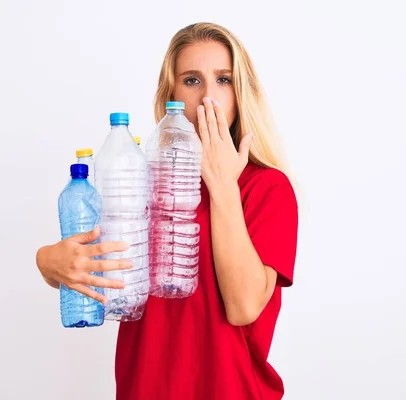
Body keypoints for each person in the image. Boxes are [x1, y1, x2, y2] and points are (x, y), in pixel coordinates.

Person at [36, 22, 299, 400]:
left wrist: (222, 183)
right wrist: (48, 263)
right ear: (170, 96)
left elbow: (243, 306)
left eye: (223, 80)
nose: (209, 97)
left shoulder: (267, 188)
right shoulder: (138, 177)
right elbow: (94, 265)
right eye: (192, 81)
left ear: (242, 92)